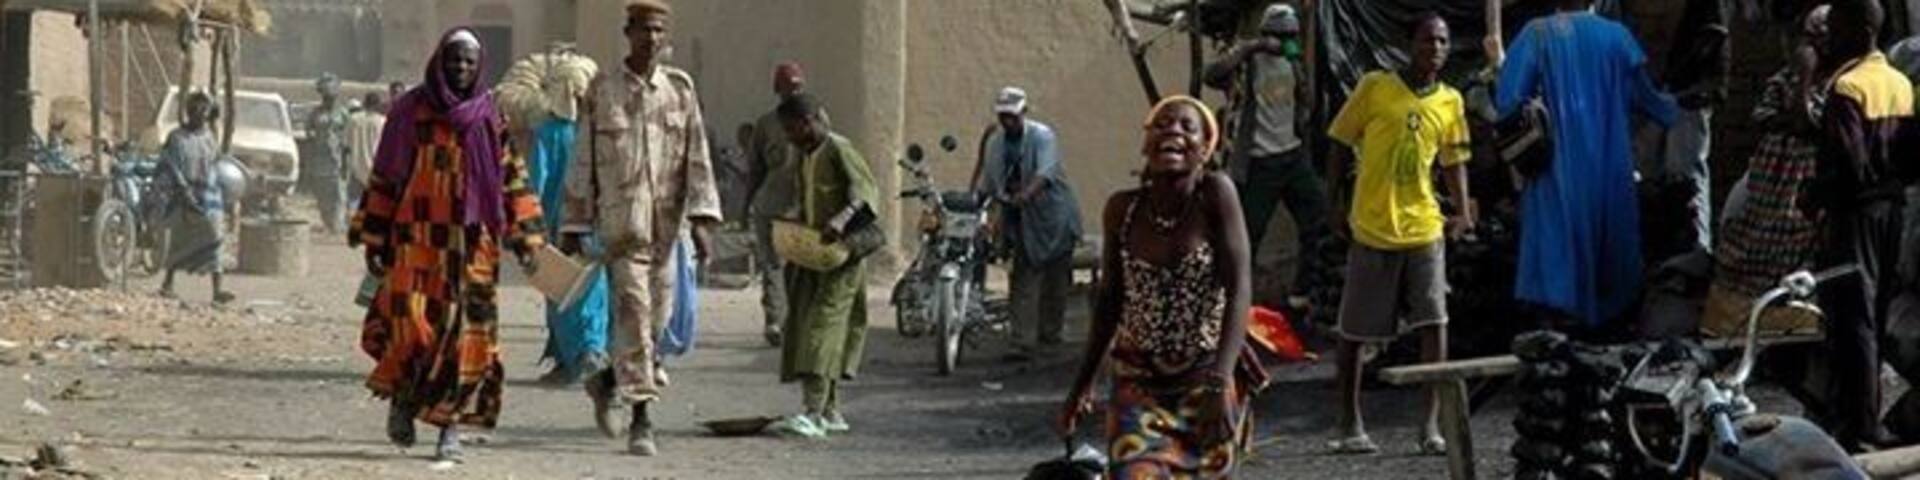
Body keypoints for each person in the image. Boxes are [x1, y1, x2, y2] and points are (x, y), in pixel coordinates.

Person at [351, 27, 545, 462]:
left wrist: (527, 235)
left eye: (468, 61)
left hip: (473, 247)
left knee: (466, 340)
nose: (460, 67)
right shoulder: (410, 112)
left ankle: (449, 428)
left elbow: (512, 178)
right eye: (454, 59)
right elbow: (387, 175)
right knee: (412, 328)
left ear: (479, 67)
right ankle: (404, 398)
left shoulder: (490, 117)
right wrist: (374, 235)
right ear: (440, 60)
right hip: (416, 240)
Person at [1056, 95, 1266, 477]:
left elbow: (1240, 289)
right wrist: (1081, 387)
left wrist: (1220, 383)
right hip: (1139, 384)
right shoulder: (1122, 209)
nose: (1173, 130)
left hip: (1205, 378)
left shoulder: (1216, 195)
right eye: (1162, 124)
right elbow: (1109, 302)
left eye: (1187, 127)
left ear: (1205, 148)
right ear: (1145, 143)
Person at [562, 0, 722, 456]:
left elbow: (697, 156)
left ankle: (608, 379)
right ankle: (641, 419)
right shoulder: (603, 90)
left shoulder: (680, 90)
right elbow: (582, 159)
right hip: (621, 227)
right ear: (628, 32)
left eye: (659, 30)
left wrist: (703, 219)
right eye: (643, 29)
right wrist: (575, 222)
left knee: (657, 321)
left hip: (667, 230)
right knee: (633, 311)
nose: (651, 38)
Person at [1323, 13, 1475, 455]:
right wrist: (1333, 201)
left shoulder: (1450, 101)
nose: (1437, 48)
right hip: (1372, 227)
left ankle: (1430, 426)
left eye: (1444, 41)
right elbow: (1338, 140)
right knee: (1354, 331)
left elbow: (1454, 161)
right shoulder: (1375, 87)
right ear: (1411, 43)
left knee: (1434, 322)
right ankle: (1350, 424)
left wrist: (1462, 210)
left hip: (1423, 227)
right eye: (1429, 39)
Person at [1494, 0, 1680, 328]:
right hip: (1609, 168)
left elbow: (1508, 101)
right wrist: (1678, 108)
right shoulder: (1618, 37)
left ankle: (1555, 333)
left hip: (1555, 169)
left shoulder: (1537, 35)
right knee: (1610, 247)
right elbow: (1649, 100)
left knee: (1556, 248)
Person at [1810, 0, 1915, 451]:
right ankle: (1859, 415)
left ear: (1859, 31)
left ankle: (1861, 425)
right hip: (1893, 210)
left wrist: (1812, 198)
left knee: (1853, 319)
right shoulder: (1899, 83)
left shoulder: (1847, 88)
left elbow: (1847, 167)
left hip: (1854, 216)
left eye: (1835, 27)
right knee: (1872, 314)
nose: (1828, 36)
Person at [1705, 5, 1830, 335]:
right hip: (1771, 182)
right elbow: (1764, 118)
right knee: (1747, 242)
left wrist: (1804, 85)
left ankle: (1793, 326)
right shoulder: (1781, 79)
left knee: (1801, 251)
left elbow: (1812, 124)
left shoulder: (1839, 84)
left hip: (1805, 185)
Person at [767, 93, 877, 439]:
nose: (789, 136)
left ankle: (812, 412)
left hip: (843, 256)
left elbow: (865, 195)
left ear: (810, 121)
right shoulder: (804, 156)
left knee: (822, 328)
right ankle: (830, 410)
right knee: (808, 326)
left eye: (792, 128)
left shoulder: (839, 149)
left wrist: (841, 222)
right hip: (816, 256)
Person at [1203, 3, 1327, 308]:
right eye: (1280, 35)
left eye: (1290, 35)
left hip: (1292, 155)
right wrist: (1252, 47)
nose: (1284, 42)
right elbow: (1211, 74)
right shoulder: (1247, 63)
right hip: (1259, 160)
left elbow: (1306, 102)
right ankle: (1235, 300)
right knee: (1248, 235)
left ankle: (1302, 291)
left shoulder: (1293, 62)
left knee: (1316, 218)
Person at [528, 49, 613, 386]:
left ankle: (580, 356)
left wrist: (528, 224)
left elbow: (537, 181)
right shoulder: (600, 130)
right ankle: (587, 352)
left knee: (562, 291)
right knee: (594, 289)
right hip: (596, 225)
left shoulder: (549, 133)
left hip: (559, 228)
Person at [978, 87, 1083, 356]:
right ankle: (1022, 340)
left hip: (1054, 215)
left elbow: (1045, 172)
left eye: (1013, 116)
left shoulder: (1042, 136)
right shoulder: (996, 144)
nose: (1008, 121)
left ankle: (1051, 334)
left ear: (1024, 112)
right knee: (1024, 275)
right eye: (1003, 116)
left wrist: (1026, 194)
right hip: (1020, 217)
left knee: (1056, 279)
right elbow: (989, 182)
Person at [747, 62, 819, 348]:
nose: (794, 91)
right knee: (772, 265)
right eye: (789, 87)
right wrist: (745, 205)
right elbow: (755, 167)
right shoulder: (766, 125)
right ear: (778, 90)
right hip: (770, 205)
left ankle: (797, 321)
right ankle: (775, 321)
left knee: (800, 266)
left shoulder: (816, 117)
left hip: (803, 207)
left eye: (798, 86)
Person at [1657, 0, 1732, 254]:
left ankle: (1698, 248)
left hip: (1692, 91)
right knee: (1683, 174)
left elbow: (1715, 36)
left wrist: (1677, 78)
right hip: (1688, 90)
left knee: (1689, 176)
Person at [157, 92, 234, 304]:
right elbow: (169, 164)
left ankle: (218, 291)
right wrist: (183, 190)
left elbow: (216, 164)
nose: (199, 114)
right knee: (181, 240)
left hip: (209, 196)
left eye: (203, 111)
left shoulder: (210, 138)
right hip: (183, 194)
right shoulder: (176, 138)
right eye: (195, 110)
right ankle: (167, 283)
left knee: (215, 237)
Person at [308, 73, 353, 234]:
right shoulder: (315, 114)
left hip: (338, 160)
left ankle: (336, 226)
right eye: (326, 96)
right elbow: (309, 135)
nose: (328, 100)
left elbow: (348, 140)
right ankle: (328, 223)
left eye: (331, 96)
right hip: (319, 161)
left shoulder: (343, 114)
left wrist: (346, 163)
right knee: (322, 196)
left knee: (339, 195)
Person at [345, 92, 387, 213]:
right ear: (378, 105)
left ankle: (351, 224)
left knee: (354, 201)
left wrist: (343, 167)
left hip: (356, 168)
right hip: (376, 168)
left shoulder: (353, 120)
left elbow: (346, 146)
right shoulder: (382, 121)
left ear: (364, 103)